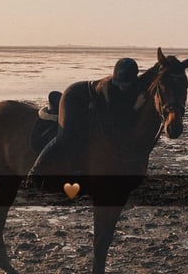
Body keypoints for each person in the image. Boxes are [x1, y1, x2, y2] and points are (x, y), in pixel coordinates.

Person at [26, 57, 142, 187]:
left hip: (90, 101)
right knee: (65, 136)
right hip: (73, 97)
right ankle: (35, 171)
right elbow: (116, 117)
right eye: (119, 83)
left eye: (124, 84)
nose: (120, 86)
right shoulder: (109, 88)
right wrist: (135, 107)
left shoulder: (135, 84)